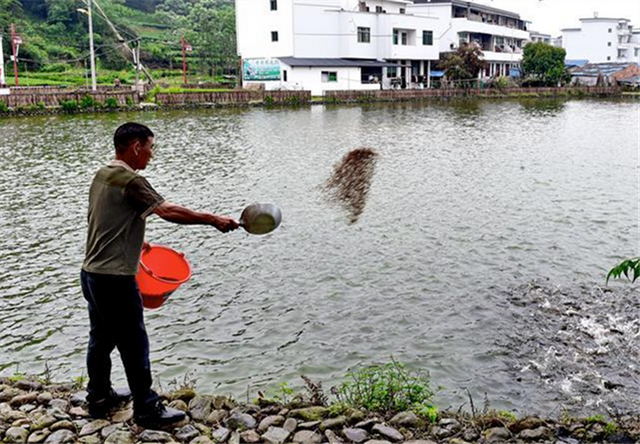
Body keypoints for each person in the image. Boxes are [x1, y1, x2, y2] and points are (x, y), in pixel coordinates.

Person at [80, 122, 239, 427]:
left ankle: (99, 397)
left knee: (100, 338)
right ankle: (147, 408)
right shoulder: (131, 180)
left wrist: (137, 241)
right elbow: (167, 211)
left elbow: (107, 218)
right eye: (150, 147)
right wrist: (213, 219)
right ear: (136, 147)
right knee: (134, 341)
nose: (151, 154)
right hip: (115, 279)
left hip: (91, 273)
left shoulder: (103, 174)